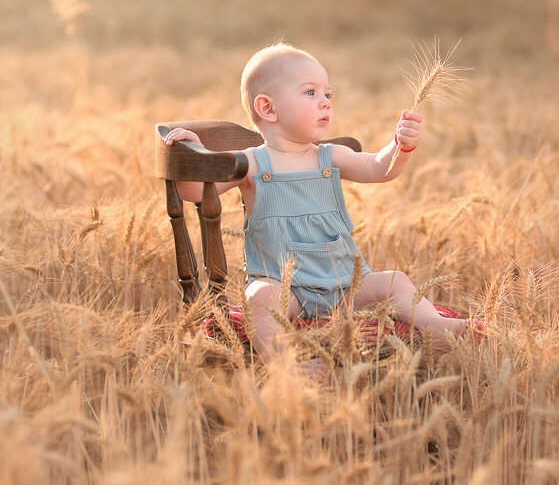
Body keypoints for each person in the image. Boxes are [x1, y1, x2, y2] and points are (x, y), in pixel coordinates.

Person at [164, 42, 473, 381]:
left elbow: (378, 168)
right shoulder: (252, 164)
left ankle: (435, 327)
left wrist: (401, 146)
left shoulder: (331, 156)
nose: (325, 102)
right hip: (287, 291)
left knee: (394, 282)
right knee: (260, 298)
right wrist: (194, 155)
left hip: (345, 286)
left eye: (328, 94)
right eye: (310, 92)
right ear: (268, 108)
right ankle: (287, 364)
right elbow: (195, 192)